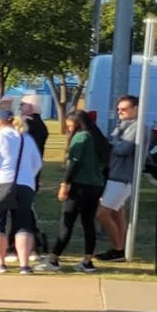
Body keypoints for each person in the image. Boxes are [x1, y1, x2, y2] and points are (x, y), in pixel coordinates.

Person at [0, 108, 44, 275]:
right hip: (25, 185)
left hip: (0, 183)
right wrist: (28, 177)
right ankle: (24, 265)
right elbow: (37, 163)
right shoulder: (25, 138)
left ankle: (0, 263)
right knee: (24, 224)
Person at [48, 109, 109, 274]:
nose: (68, 129)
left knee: (67, 221)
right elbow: (106, 166)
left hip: (79, 185)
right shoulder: (98, 138)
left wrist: (64, 184)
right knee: (88, 223)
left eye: (69, 126)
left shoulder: (80, 138)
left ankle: (54, 258)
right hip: (96, 185)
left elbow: (73, 163)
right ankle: (87, 260)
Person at [97, 95, 140, 260]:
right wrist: (115, 141)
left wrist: (114, 142)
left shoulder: (137, 127)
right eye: (118, 109)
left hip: (123, 177)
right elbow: (114, 142)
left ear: (135, 109)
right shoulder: (122, 125)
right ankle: (120, 249)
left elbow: (123, 148)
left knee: (102, 213)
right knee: (117, 213)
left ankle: (117, 248)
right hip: (114, 174)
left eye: (124, 109)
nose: (120, 112)